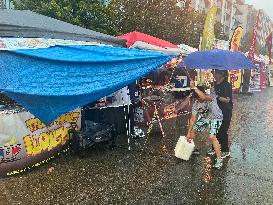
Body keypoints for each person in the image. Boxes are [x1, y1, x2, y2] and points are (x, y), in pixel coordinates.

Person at [186, 81, 223, 169]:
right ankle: (193, 148)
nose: (198, 100)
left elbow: (203, 96)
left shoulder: (209, 98)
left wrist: (194, 87)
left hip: (215, 117)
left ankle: (219, 159)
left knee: (212, 137)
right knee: (193, 131)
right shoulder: (196, 104)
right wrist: (188, 132)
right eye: (196, 99)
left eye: (198, 98)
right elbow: (193, 119)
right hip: (205, 118)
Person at [211, 70, 233, 159]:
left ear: (221, 74)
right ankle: (214, 148)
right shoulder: (216, 84)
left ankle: (225, 150)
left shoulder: (226, 85)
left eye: (216, 73)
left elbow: (227, 100)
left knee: (222, 131)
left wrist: (216, 96)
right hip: (216, 110)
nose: (214, 74)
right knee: (215, 130)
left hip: (225, 111)